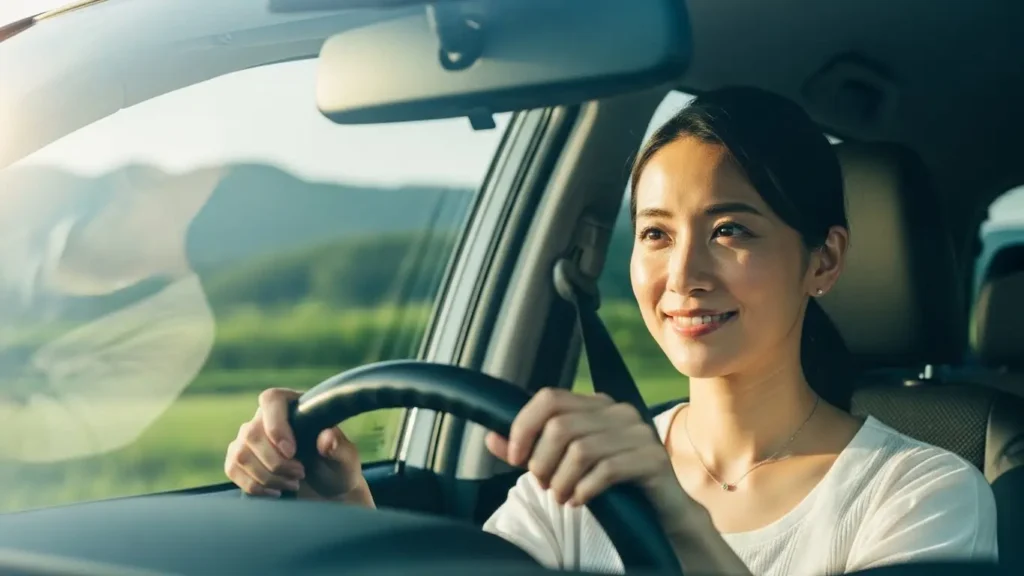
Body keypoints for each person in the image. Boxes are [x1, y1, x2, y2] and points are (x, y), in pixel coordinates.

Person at [223, 87, 998, 575]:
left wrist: (670, 516)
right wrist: (347, 507)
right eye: (657, 235)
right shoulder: (576, 485)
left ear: (823, 260)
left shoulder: (925, 492)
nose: (683, 274)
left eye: (730, 231)